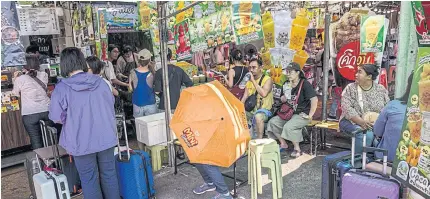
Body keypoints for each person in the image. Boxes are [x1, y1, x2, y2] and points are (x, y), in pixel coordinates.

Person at [49, 47, 120, 199]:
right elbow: (110, 104)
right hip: (106, 137)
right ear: (82, 61)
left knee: (89, 179)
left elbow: (56, 117)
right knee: (109, 175)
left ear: (64, 65)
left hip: (80, 142)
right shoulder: (101, 83)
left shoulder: (61, 89)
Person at [266, 62, 318, 157]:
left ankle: (297, 149)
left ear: (298, 72)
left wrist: (310, 115)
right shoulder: (286, 84)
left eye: (290, 72)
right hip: (288, 112)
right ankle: (283, 143)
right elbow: (281, 99)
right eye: (287, 72)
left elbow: (314, 99)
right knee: (272, 122)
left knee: (289, 126)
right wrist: (283, 98)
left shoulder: (304, 84)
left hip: (302, 113)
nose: (288, 74)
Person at [340, 64, 390, 154]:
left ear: (369, 76)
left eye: (360, 72)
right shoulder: (351, 88)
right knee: (366, 135)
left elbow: (387, 108)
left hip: (374, 123)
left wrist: (379, 124)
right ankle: (357, 161)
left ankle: (373, 161)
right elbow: (347, 108)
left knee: (380, 137)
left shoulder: (380, 89)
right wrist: (361, 122)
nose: (356, 74)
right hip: (350, 121)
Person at [12, 54, 51, 149]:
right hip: (47, 110)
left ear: (24, 66)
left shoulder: (20, 79)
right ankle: (55, 159)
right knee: (50, 137)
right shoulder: (44, 75)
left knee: (35, 140)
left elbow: (15, 94)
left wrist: (14, 79)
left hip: (30, 114)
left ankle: (42, 163)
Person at [373, 73, 413, 162]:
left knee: (374, 139)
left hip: (387, 158)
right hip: (414, 165)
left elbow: (377, 131)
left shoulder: (393, 105)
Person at [241, 57, 273, 139]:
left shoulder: (267, 80)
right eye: (250, 68)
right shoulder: (248, 81)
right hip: (251, 110)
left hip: (264, 110)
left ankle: (259, 140)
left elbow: (264, 94)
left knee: (258, 116)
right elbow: (245, 96)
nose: (251, 70)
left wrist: (253, 81)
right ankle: (244, 138)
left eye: (254, 67)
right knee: (239, 115)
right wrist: (239, 108)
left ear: (261, 68)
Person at [154, 48, 193, 112]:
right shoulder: (179, 70)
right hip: (178, 104)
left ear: (161, 57)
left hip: (164, 106)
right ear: (171, 57)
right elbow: (190, 84)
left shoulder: (159, 72)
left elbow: (157, 91)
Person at [129, 49, 157, 117]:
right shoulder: (152, 73)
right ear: (149, 60)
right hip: (150, 104)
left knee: (139, 126)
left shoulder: (132, 73)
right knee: (151, 126)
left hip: (137, 104)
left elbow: (130, 89)